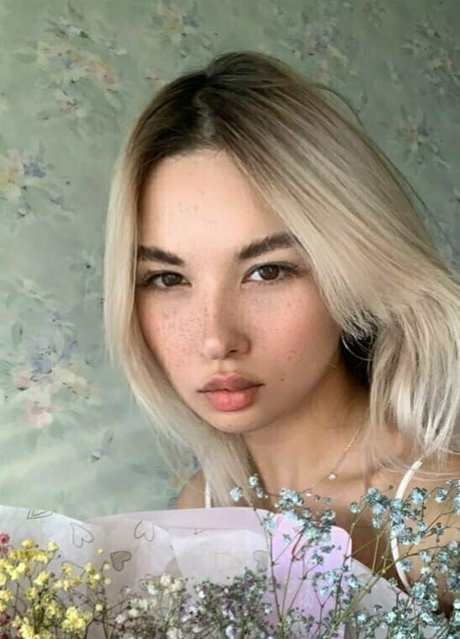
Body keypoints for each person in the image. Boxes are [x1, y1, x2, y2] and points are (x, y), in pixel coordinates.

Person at [103, 50, 459, 603]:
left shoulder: (439, 516)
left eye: (267, 271)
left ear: (350, 268)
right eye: (167, 279)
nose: (216, 339)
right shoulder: (200, 508)